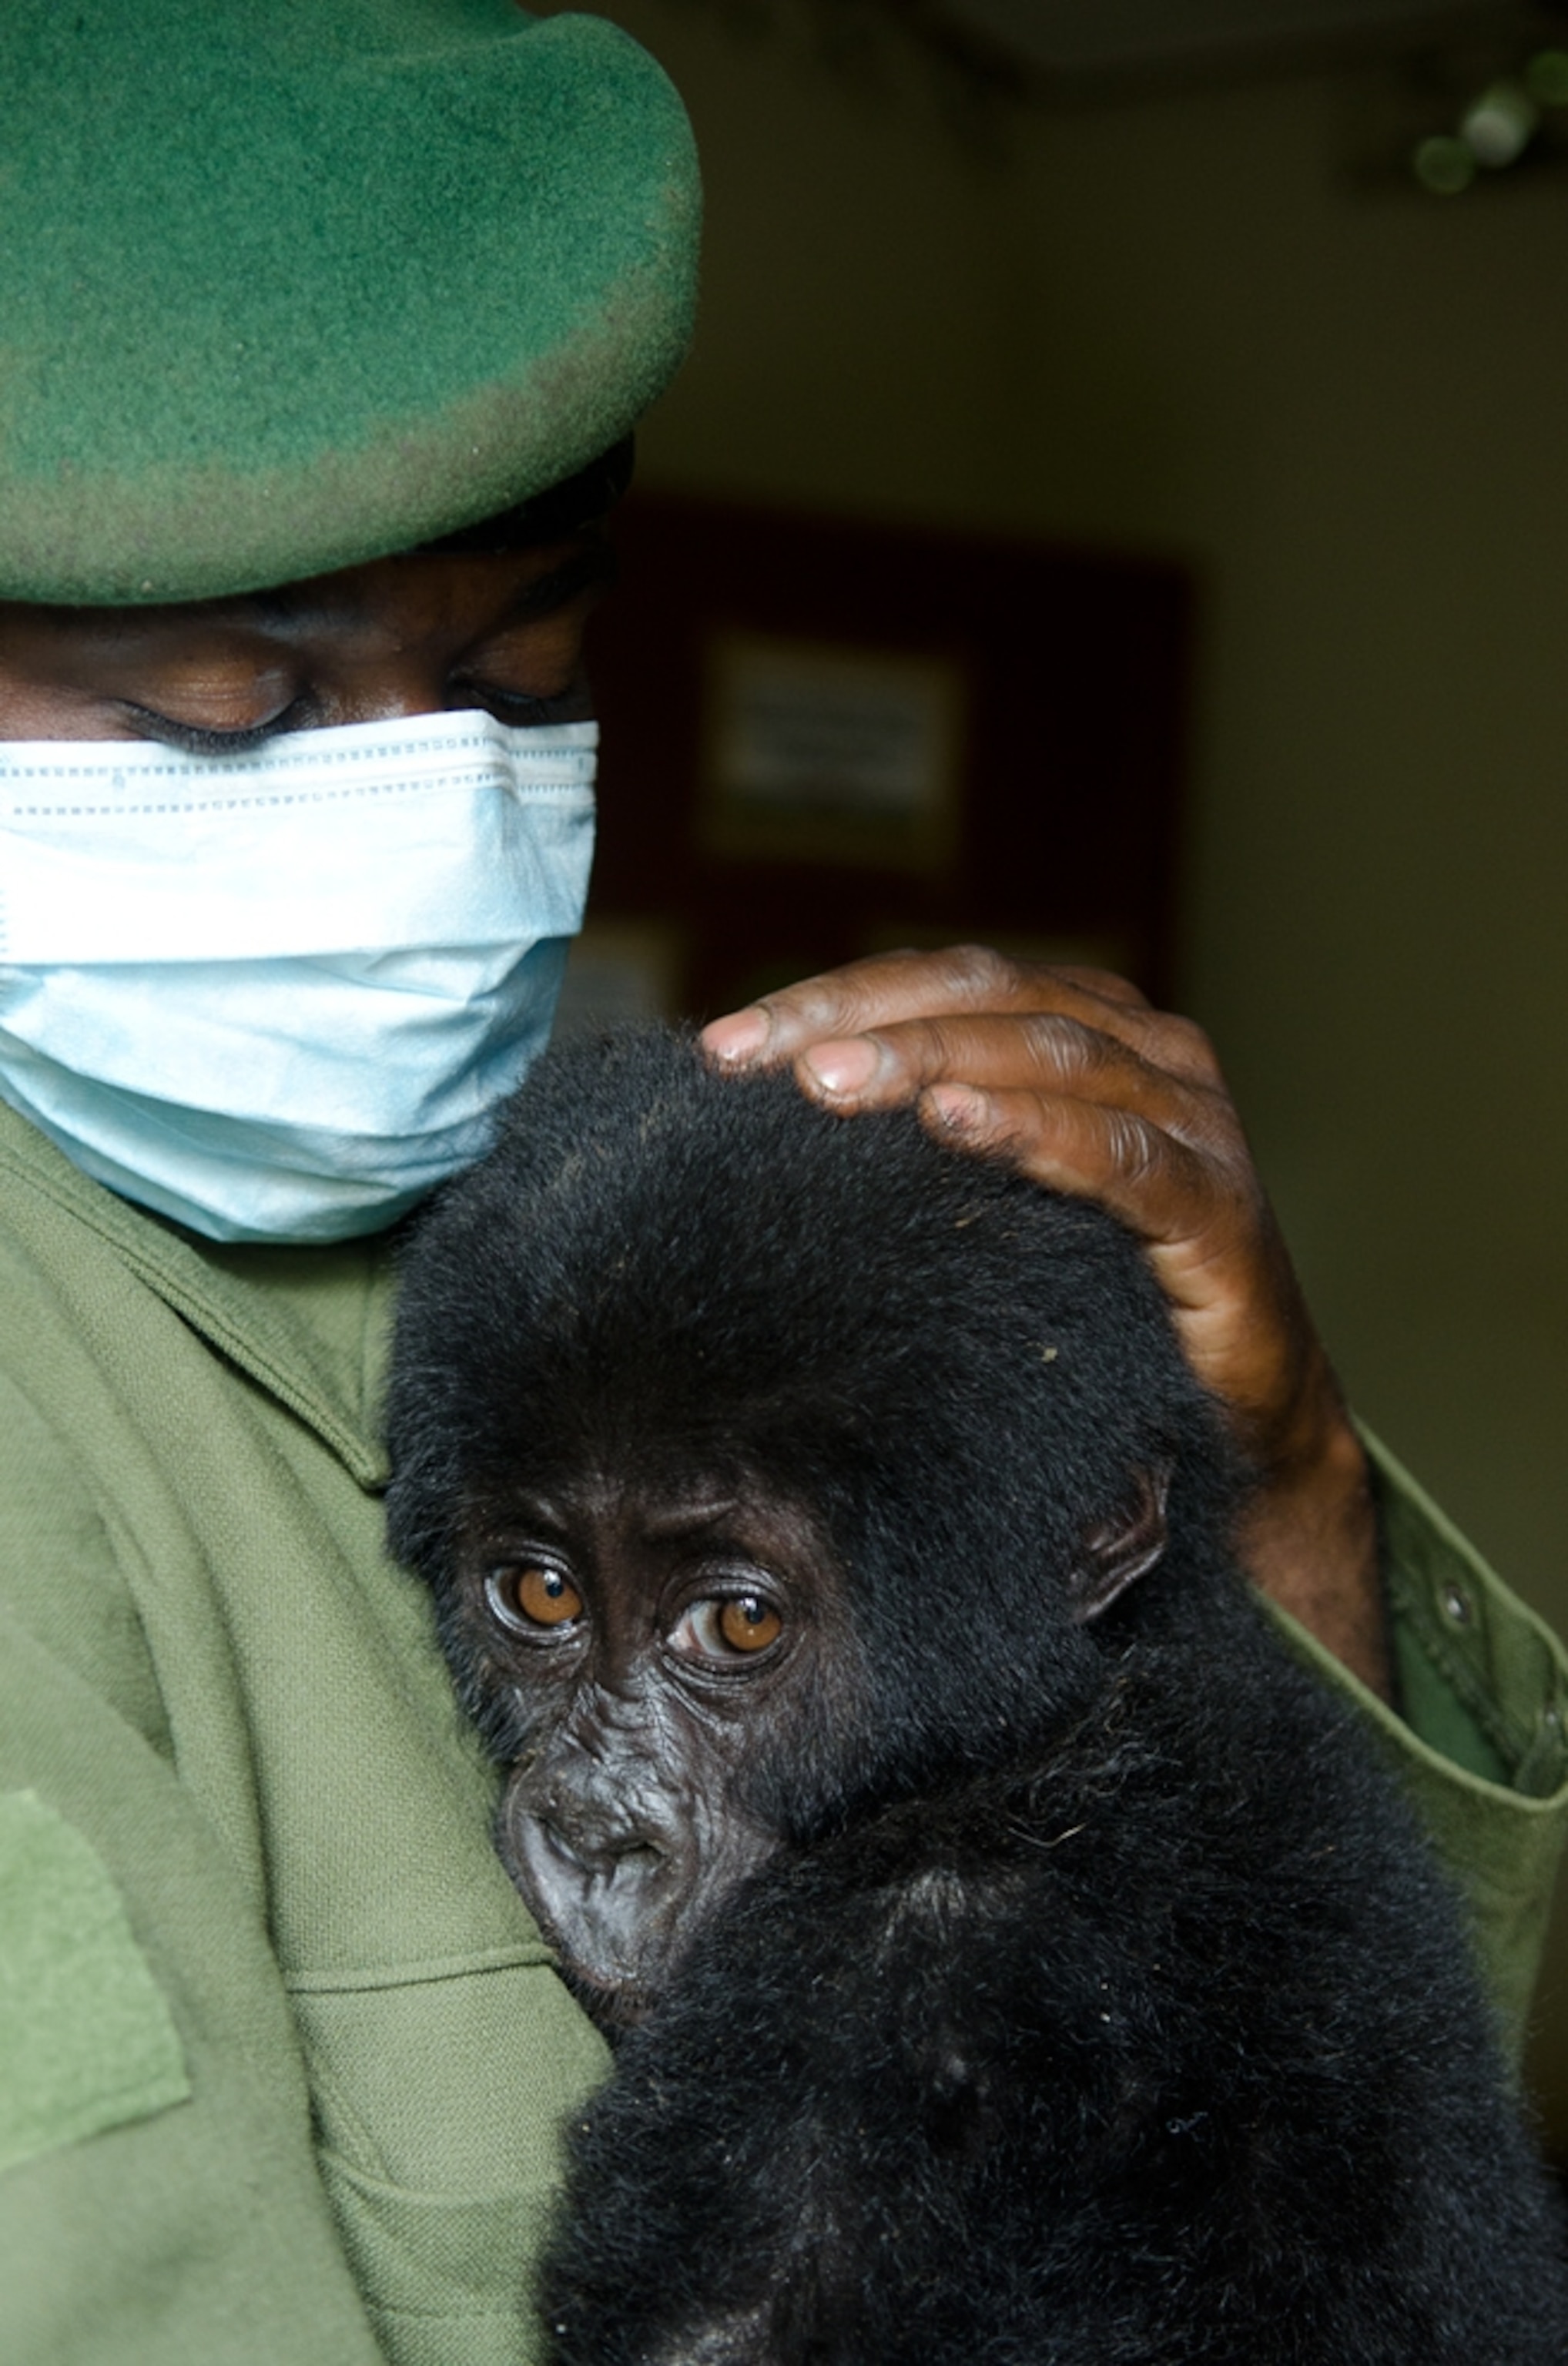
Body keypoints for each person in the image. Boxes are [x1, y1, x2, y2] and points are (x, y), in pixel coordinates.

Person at [0, 5, 1561, 2363]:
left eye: (522, 684)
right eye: (219, 717)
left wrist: (1280, 1486)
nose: (427, 811)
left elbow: (1319, 2181)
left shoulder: (617, 1219)